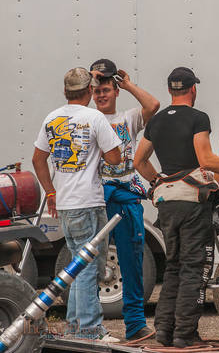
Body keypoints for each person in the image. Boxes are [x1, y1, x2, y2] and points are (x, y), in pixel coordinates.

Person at [134, 67, 219, 348]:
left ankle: (164, 331)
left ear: (171, 91)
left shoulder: (156, 122)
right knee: (195, 268)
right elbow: (206, 159)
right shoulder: (198, 118)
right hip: (193, 203)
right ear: (193, 89)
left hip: (166, 203)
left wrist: (158, 180)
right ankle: (185, 334)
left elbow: (139, 162)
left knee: (173, 267)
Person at [32, 67, 122, 343]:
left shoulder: (51, 118)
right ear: (89, 91)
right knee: (88, 266)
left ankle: (74, 326)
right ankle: (90, 330)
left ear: (65, 91)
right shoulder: (94, 117)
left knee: (77, 266)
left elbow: (38, 159)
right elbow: (116, 157)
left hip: (66, 203)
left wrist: (50, 192)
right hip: (89, 201)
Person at [90, 58, 160, 341]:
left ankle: (135, 325)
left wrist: (128, 83)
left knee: (132, 261)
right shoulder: (88, 118)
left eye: (107, 89)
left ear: (115, 91)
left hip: (127, 198)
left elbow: (154, 106)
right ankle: (92, 327)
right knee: (92, 265)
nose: (102, 95)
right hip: (96, 198)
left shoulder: (128, 118)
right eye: (97, 90)